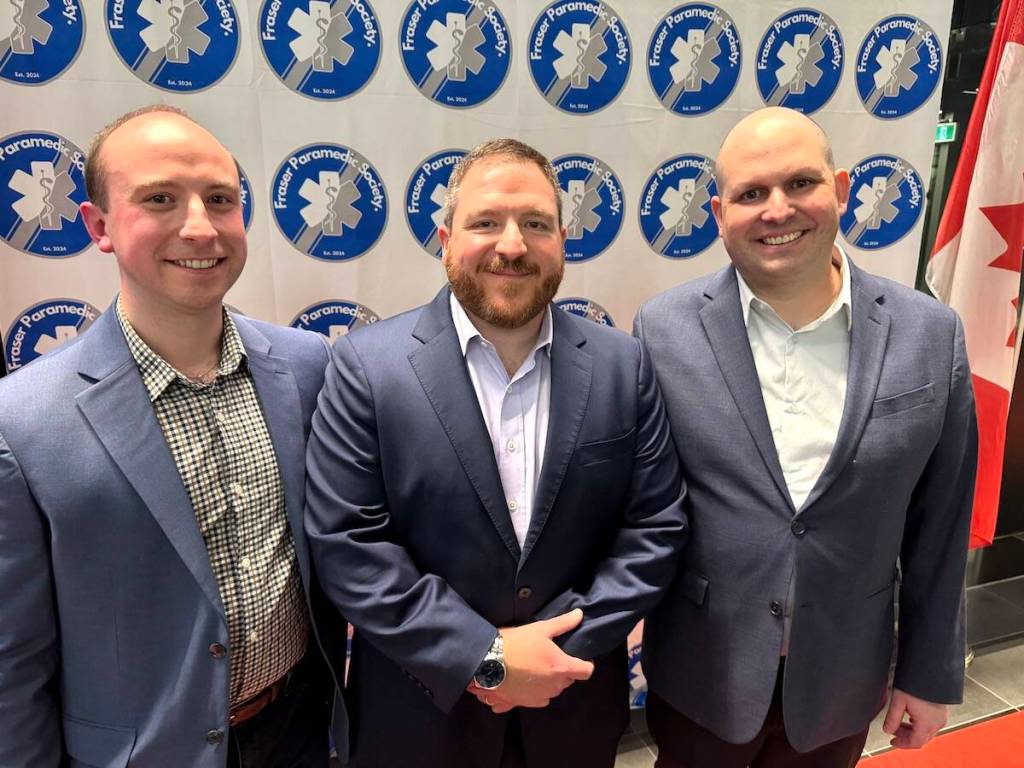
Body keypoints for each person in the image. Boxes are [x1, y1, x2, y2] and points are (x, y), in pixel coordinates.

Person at [305, 138, 687, 768]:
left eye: (535, 224)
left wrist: (556, 656)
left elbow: (655, 526)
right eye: (485, 222)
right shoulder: (364, 368)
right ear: (444, 238)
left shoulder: (625, 366)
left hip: (574, 715)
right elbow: (349, 545)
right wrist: (483, 659)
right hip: (420, 722)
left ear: (562, 239)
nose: (512, 245)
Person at [0, 105, 347, 767]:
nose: (200, 227)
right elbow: (12, 667)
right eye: (159, 199)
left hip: (301, 730)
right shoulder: (22, 424)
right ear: (99, 226)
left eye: (221, 200)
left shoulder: (309, 367)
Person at [635, 106, 977, 768]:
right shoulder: (663, 329)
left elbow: (941, 526)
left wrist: (929, 674)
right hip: (703, 673)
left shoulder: (931, 336)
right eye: (751, 193)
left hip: (843, 676)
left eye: (800, 184)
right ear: (718, 213)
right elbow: (644, 508)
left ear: (841, 190)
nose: (777, 209)